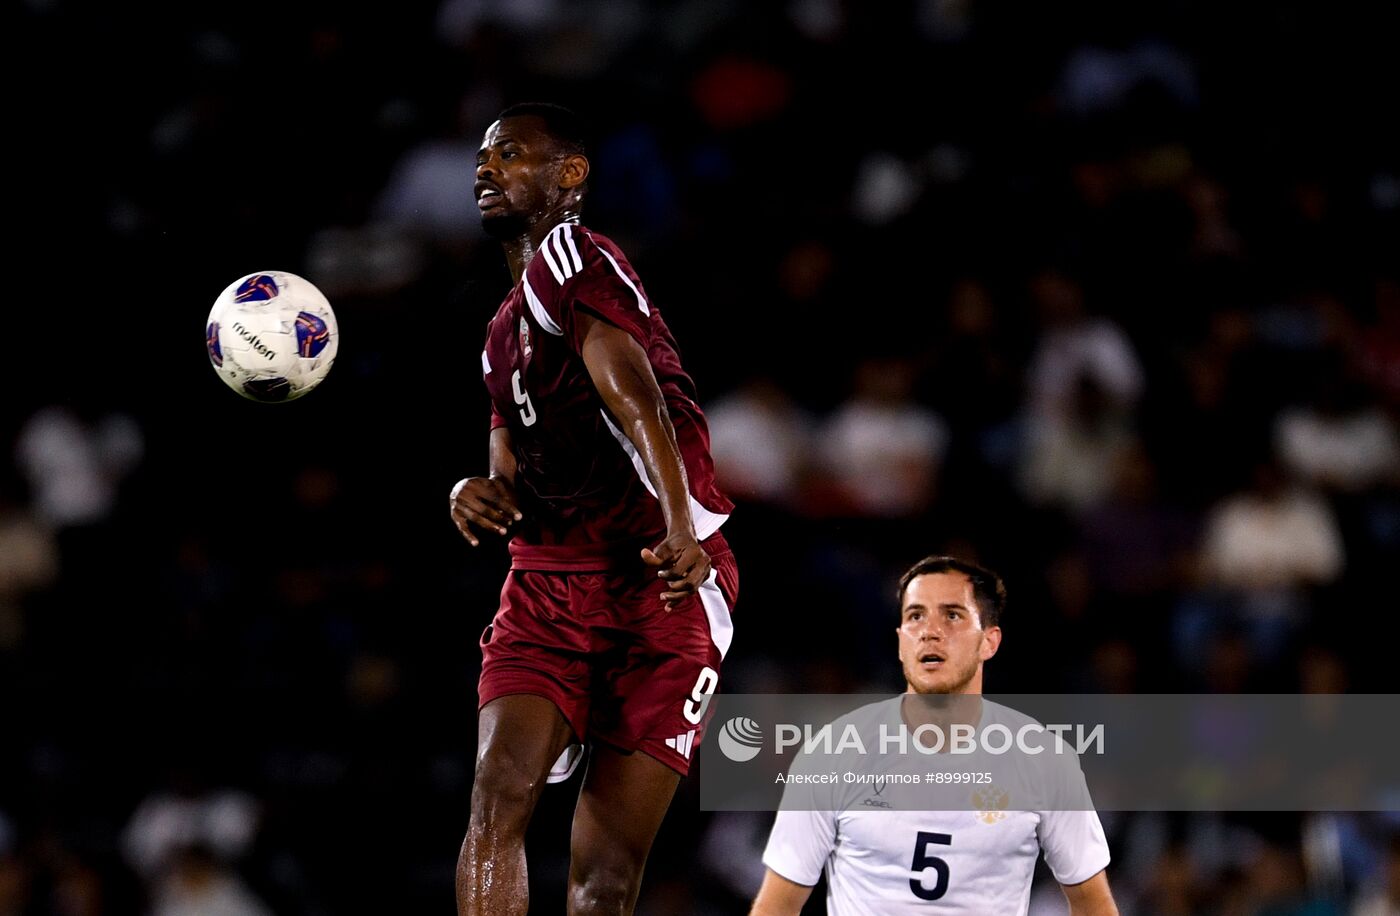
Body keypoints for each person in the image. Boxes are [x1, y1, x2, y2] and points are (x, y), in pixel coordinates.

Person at [448, 103, 739, 916]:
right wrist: (467, 493)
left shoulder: (572, 255)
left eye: (509, 154)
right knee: (495, 793)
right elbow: (504, 475)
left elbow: (638, 399)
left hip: (661, 576)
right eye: (482, 156)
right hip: (550, 579)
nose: (486, 168)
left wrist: (682, 527)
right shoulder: (499, 333)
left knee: (605, 874)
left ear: (569, 176)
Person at [750, 556, 1118, 915]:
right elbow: (777, 905)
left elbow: (1093, 905)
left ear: (989, 642)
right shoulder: (831, 753)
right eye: (915, 616)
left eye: (952, 615)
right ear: (899, 642)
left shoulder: (1044, 761)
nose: (930, 630)